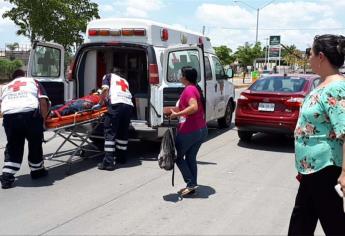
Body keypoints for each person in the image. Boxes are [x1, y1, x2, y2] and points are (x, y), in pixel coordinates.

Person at [288, 34, 345, 235]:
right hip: (311, 169)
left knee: (334, 224)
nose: (309, 58)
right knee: (301, 221)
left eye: (310, 53)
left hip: (326, 168)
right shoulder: (322, 85)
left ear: (321, 56)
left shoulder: (336, 87)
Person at [0, 69, 49, 189]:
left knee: (13, 146)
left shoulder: (6, 86)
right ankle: (37, 172)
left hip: (9, 117)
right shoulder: (33, 81)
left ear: (13, 78)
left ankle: (7, 177)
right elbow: (43, 101)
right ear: (24, 76)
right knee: (35, 144)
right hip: (30, 116)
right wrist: (43, 121)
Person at [168, 66, 208, 196]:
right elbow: (190, 107)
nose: (179, 76)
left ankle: (190, 183)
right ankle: (192, 185)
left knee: (178, 157)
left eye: (181, 74)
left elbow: (193, 107)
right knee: (190, 157)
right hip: (200, 129)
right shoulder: (194, 88)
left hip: (190, 130)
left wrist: (177, 114)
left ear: (185, 77)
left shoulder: (189, 89)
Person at [97, 68, 133, 171]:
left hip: (116, 104)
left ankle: (108, 162)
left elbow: (105, 90)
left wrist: (100, 103)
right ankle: (121, 158)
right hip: (128, 106)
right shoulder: (124, 81)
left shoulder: (108, 76)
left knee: (110, 132)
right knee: (122, 132)